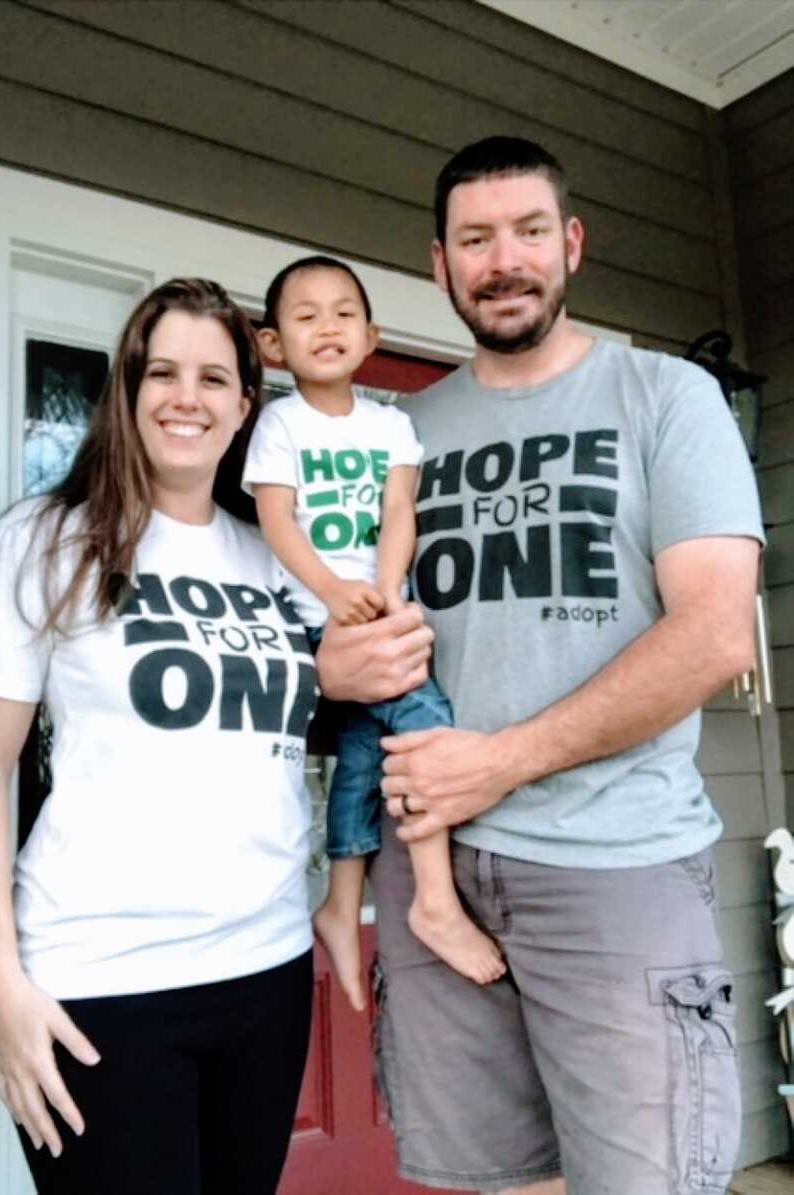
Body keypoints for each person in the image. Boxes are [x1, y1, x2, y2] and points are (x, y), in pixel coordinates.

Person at [315, 136, 764, 1194]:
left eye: (526, 232)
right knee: (491, 1180)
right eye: (475, 239)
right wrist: (333, 665)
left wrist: (502, 761)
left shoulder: (666, 398)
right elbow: (345, 623)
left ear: (571, 245)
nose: (502, 260)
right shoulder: (399, 433)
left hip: (615, 860)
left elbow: (714, 633)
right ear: (440, 264)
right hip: (435, 865)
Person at [0, 278, 318, 1195]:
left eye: (213, 377)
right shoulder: (48, 539)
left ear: (245, 405)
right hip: (100, 982)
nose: (186, 396)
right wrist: (2, 987)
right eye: (162, 372)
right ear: (129, 390)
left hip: (267, 971)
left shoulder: (276, 557)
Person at [244, 256, 504, 1013]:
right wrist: (331, 591)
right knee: (424, 719)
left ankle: (340, 898)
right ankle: (434, 897)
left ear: (371, 335)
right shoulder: (280, 423)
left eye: (342, 313)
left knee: (366, 750)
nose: (326, 327)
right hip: (315, 616)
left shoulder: (393, 424)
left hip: (379, 605)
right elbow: (276, 519)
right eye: (305, 316)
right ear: (272, 345)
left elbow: (399, 514)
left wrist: (388, 591)